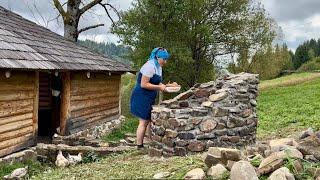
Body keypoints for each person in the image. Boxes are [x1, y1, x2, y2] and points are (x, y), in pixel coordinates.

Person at [130, 47, 172, 149]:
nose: (165, 62)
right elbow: (144, 84)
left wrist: (166, 86)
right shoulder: (149, 66)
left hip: (150, 96)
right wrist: (159, 87)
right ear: (158, 57)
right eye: (164, 59)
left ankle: (151, 143)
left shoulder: (158, 67)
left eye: (166, 59)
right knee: (143, 121)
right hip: (141, 96)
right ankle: (139, 146)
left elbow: (156, 82)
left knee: (149, 120)